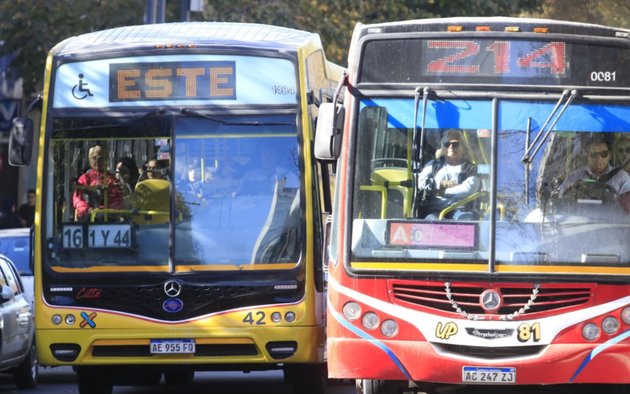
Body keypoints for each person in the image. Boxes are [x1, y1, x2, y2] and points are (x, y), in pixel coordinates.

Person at [416, 130, 480, 220]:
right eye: (446, 144)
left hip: (460, 210)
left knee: (467, 219)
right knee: (432, 222)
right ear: (443, 147)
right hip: (435, 210)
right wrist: (443, 184)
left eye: (455, 144)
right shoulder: (434, 165)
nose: (450, 147)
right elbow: (421, 183)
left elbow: (469, 188)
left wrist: (443, 191)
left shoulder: (469, 168)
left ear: (463, 147)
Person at [558, 139, 630, 211]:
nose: (599, 158)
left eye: (604, 154)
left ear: (610, 155)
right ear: (587, 156)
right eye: (594, 154)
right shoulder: (574, 176)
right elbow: (560, 200)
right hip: (578, 218)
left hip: (611, 220)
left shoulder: (622, 177)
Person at [72, 145, 123, 221]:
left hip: (107, 218)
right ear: (89, 160)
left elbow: (118, 200)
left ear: (106, 160)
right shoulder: (84, 178)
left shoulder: (112, 180)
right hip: (87, 217)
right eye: (94, 158)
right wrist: (87, 210)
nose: (97, 161)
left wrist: (105, 210)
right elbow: (77, 199)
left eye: (100, 158)